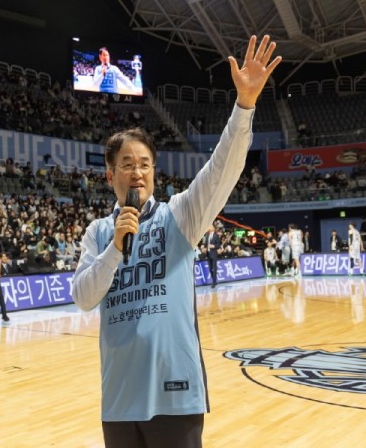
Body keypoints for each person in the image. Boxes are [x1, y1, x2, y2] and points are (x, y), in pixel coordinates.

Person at [72, 35, 280, 448]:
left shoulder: (180, 215)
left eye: (145, 164)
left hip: (176, 393)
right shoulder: (97, 233)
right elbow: (82, 297)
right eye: (127, 165)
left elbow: (223, 168)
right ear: (109, 175)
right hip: (118, 397)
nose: (138, 172)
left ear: (155, 173)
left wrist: (245, 106)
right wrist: (115, 247)